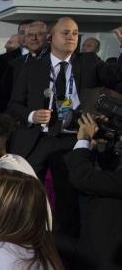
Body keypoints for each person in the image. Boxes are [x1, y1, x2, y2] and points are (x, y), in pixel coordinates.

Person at [8, 18, 122, 237]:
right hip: (38, 138)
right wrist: (32, 115)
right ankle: (28, 237)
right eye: (66, 33)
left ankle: (66, 248)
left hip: (72, 138)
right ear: (51, 37)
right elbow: (14, 105)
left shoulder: (88, 62)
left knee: (68, 199)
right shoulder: (32, 66)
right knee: (28, 195)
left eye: (75, 33)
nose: (71, 37)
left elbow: (115, 75)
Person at [64, 113, 122, 270]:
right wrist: (100, 147)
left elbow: (83, 178)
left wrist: (83, 141)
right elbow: (111, 177)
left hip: (106, 255)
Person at [0, 19, 34, 113]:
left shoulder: (43, 57)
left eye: (29, 33)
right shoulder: (5, 59)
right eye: (22, 32)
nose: (25, 36)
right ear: (18, 35)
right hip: (8, 111)